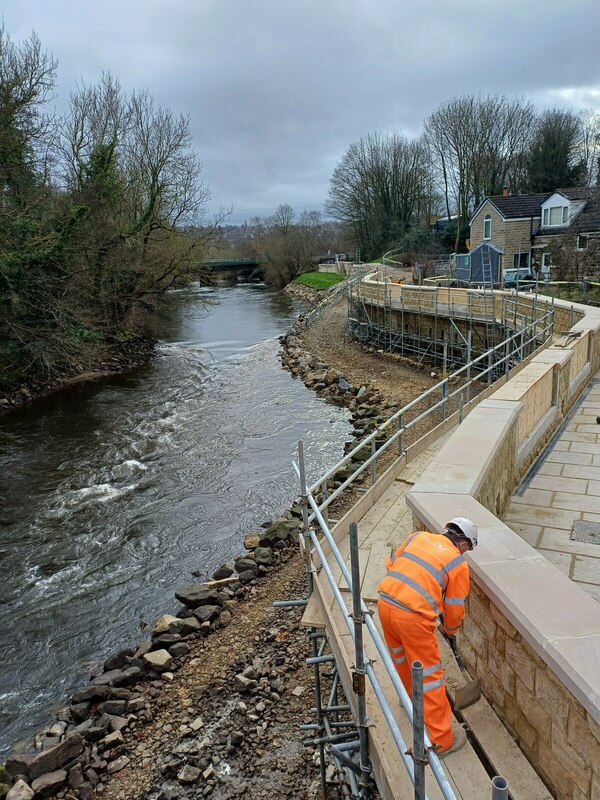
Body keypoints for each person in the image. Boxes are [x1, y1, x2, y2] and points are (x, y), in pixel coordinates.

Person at [377, 517, 478, 758]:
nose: (466, 553)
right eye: (469, 548)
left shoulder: (418, 536)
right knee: (430, 676)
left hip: (385, 601)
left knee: (401, 659)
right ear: (463, 543)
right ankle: (442, 740)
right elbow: (453, 608)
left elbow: (391, 564)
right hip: (413, 618)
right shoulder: (458, 564)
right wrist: (451, 632)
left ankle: (410, 700)